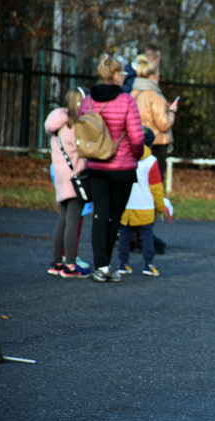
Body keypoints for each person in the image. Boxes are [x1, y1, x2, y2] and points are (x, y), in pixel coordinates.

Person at [80, 54, 145, 283]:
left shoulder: (88, 100)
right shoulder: (127, 100)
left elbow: (82, 131)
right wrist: (135, 156)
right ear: (116, 75)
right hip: (122, 167)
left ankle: (101, 266)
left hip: (96, 165)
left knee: (100, 215)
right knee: (114, 218)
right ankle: (107, 265)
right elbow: (137, 138)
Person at [45, 87, 91, 278]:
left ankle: (57, 262)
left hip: (62, 177)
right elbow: (85, 151)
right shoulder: (75, 127)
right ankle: (70, 265)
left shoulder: (56, 125)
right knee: (73, 221)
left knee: (62, 220)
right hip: (75, 177)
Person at [117, 126, 166, 277]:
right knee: (147, 236)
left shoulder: (125, 157)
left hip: (126, 204)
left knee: (124, 236)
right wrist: (160, 206)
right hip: (145, 205)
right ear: (151, 144)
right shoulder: (151, 161)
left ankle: (123, 264)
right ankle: (148, 264)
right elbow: (156, 188)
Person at [130, 53, 176, 184]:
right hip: (156, 144)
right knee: (155, 181)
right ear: (152, 77)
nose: (159, 79)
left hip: (136, 141)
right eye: (158, 76)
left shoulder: (132, 94)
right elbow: (163, 124)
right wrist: (171, 112)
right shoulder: (155, 96)